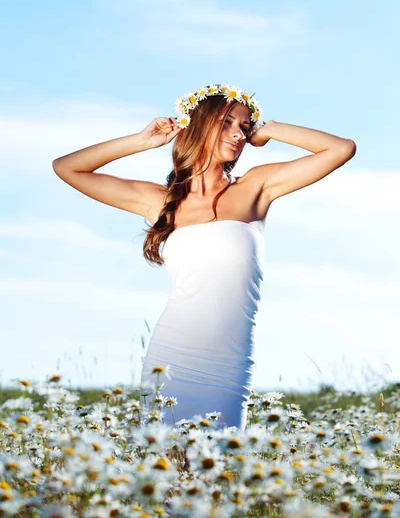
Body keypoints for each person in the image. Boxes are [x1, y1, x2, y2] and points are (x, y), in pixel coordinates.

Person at [52, 83, 356, 431]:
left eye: (244, 126)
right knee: (161, 472)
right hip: (171, 359)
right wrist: (140, 140)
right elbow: (66, 168)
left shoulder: (256, 187)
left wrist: (269, 130)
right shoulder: (162, 201)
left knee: (220, 473)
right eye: (227, 122)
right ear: (198, 124)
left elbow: (341, 149)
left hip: (229, 364)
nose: (238, 134)